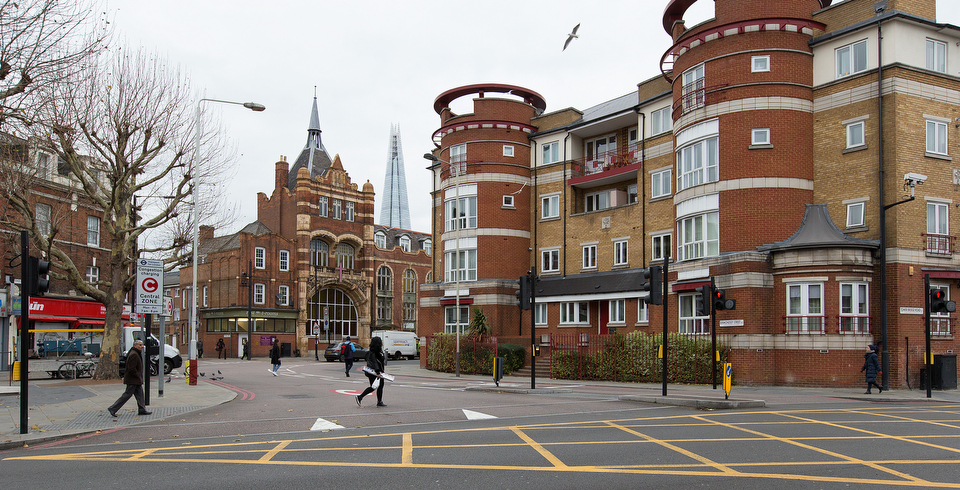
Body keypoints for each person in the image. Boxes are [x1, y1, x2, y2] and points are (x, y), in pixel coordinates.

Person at [107, 339, 152, 416]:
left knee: (140, 394)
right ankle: (113, 408)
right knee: (127, 395)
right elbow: (132, 368)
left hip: (135, 380)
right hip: (133, 380)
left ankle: (142, 409)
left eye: (142, 345)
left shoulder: (136, 353)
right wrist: (138, 376)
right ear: (135, 346)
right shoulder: (134, 354)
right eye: (140, 345)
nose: (142, 346)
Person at [356, 336, 386, 407]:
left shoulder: (378, 351)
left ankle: (379, 401)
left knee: (381, 386)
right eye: (380, 341)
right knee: (373, 387)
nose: (382, 343)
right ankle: (359, 397)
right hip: (374, 372)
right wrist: (378, 372)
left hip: (379, 372)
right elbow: (375, 362)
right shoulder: (373, 352)